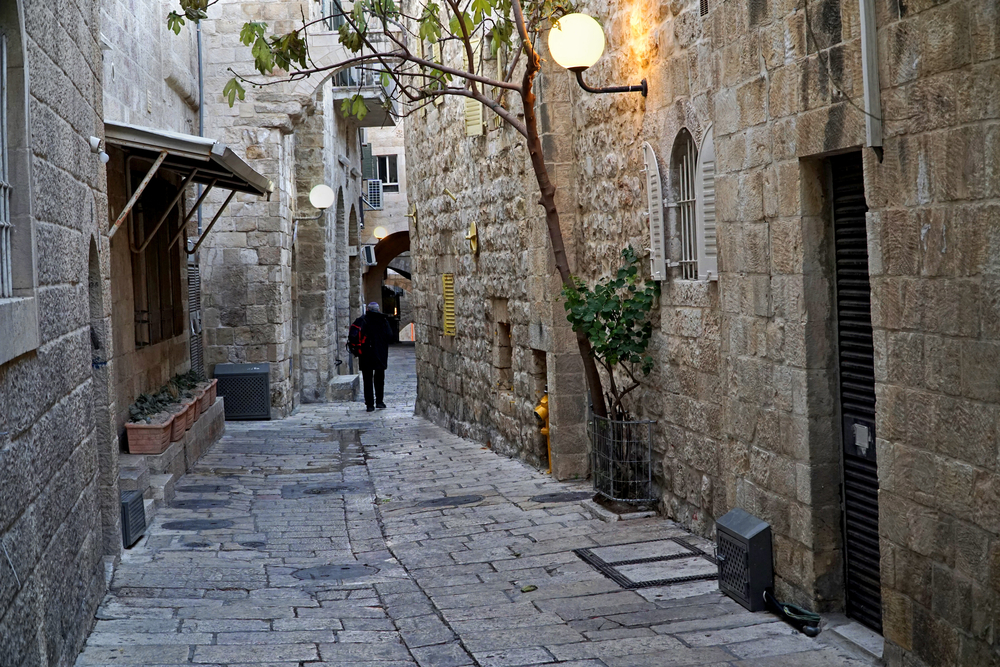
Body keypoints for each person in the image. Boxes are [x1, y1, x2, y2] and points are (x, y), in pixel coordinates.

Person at [348, 302, 392, 412]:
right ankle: (380, 402)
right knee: (379, 379)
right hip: (380, 354)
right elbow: (390, 336)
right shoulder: (383, 321)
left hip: (365, 354)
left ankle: (369, 404)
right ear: (378, 310)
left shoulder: (362, 320)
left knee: (367, 380)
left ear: (367, 309)